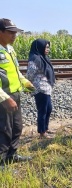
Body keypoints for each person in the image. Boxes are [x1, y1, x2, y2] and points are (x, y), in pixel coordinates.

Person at [0, 18, 34, 165]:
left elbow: (15, 71)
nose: (14, 35)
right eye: (10, 32)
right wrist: (4, 98)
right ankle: (1, 162)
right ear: (0, 32)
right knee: (4, 130)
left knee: (17, 127)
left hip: (15, 94)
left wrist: (26, 82)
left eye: (16, 32)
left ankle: (11, 155)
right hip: (3, 97)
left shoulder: (10, 49)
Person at [26, 39, 56, 139]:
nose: (48, 49)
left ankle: (45, 128)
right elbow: (30, 74)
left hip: (46, 88)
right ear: (40, 47)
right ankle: (42, 132)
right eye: (46, 47)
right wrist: (29, 86)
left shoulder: (43, 58)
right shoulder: (35, 58)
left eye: (48, 47)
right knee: (42, 110)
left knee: (48, 109)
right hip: (40, 89)